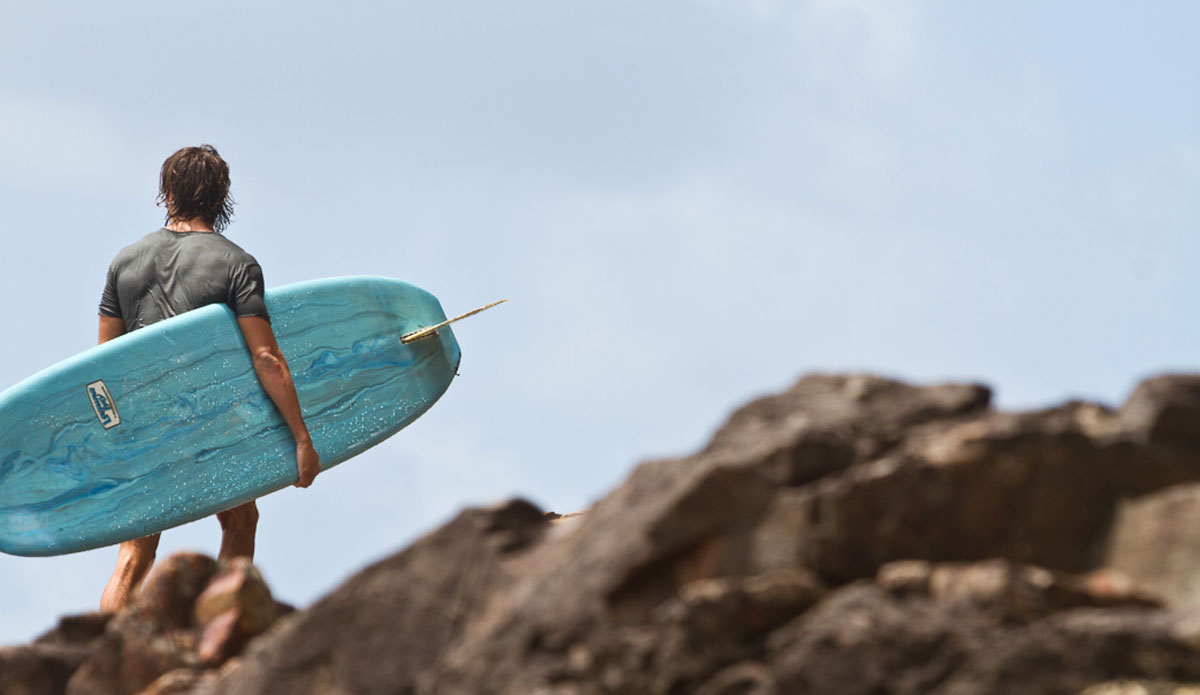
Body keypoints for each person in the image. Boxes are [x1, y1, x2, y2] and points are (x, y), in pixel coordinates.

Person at [97, 145, 321, 612]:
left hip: (144, 424)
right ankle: (217, 624)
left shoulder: (124, 262)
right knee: (240, 522)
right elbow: (266, 358)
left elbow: (105, 367)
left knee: (135, 551)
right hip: (209, 422)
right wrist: (301, 438)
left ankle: (106, 651)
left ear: (168, 193)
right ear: (221, 196)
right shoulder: (236, 264)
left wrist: (112, 444)